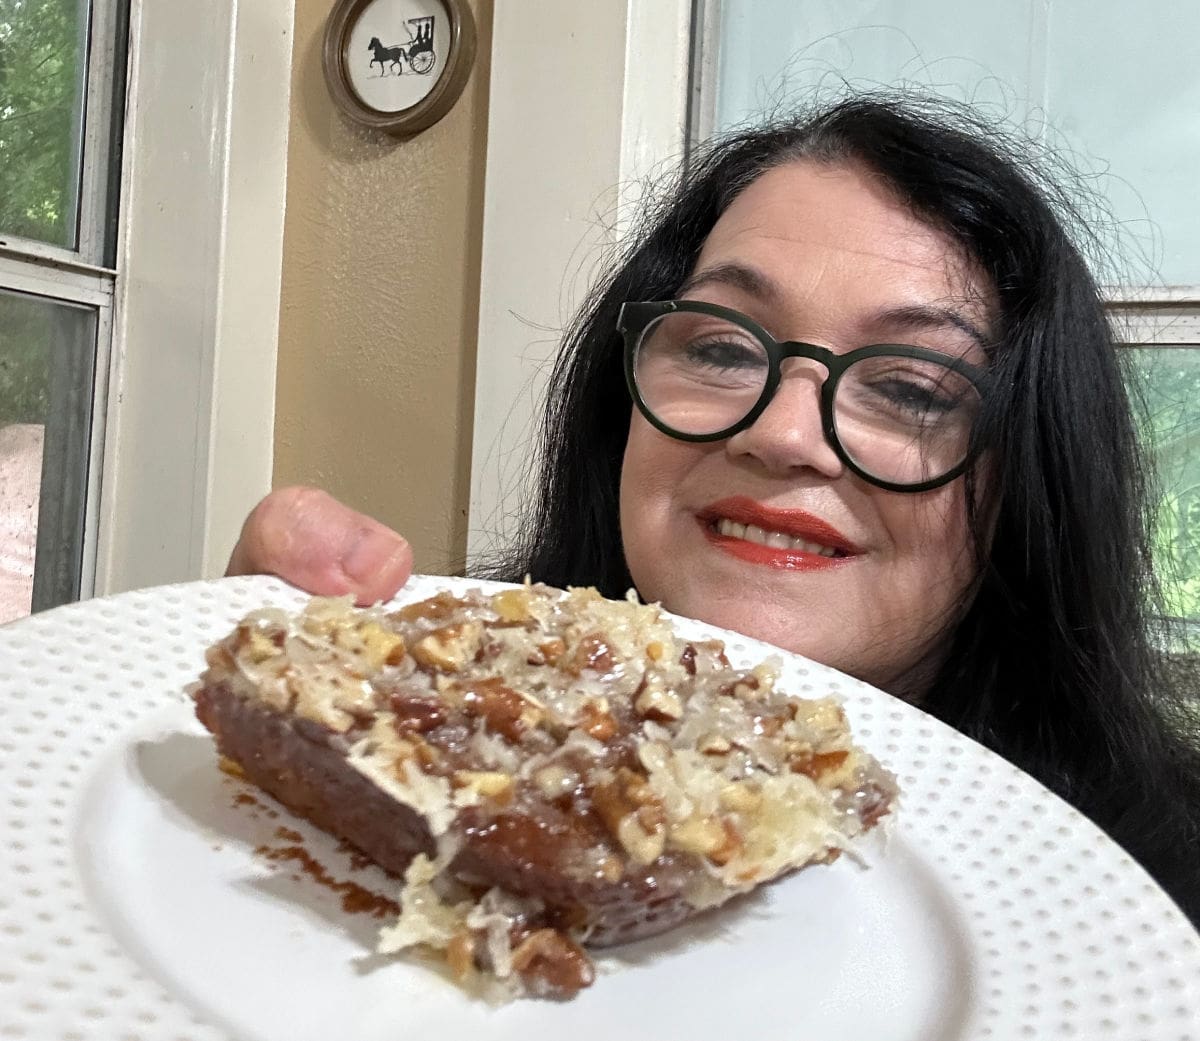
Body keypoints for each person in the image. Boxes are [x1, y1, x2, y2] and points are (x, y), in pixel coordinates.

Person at [227, 93, 1200, 923]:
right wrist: (272, 768)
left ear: (1035, 479)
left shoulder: (1145, 909)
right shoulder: (424, 722)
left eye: (909, 389)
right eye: (725, 350)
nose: (781, 434)